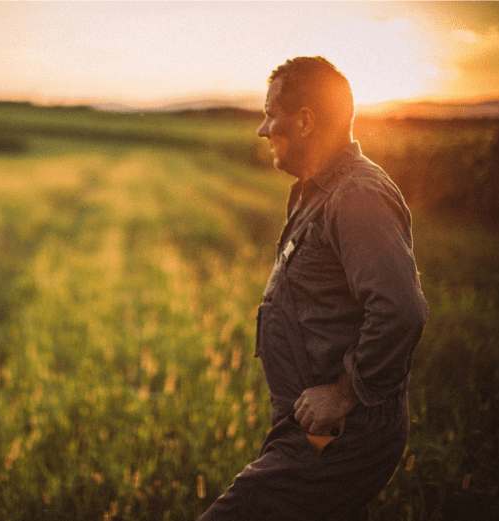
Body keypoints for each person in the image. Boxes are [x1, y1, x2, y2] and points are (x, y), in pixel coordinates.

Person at [198, 57, 428, 520]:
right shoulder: (313, 192)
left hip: (339, 431)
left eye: (270, 114)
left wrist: (342, 394)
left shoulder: (356, 194)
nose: (263, 129)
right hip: (311, 425)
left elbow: (401, 310)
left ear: (304, 120)